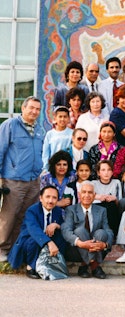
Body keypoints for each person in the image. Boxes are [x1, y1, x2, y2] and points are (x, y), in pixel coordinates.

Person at [0, 96, 44, 262]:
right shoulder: (10, 125)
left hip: (33, 180)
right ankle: (2, 248)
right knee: (9, 215)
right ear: (23, 108)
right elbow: (0, 150)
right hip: (14, 179)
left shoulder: (39, 129)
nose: (34, 111)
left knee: (24, 216)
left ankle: (14, 249)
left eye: (37, 109)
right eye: (31, 108)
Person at [7, 186, 65, 279]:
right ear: (41, 198)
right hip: (29, 241)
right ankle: (30, 267)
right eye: (47, 197)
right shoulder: (32, 210)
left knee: (61, 236)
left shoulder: (57, 211)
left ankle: (53, 264)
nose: (50, 201)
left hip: (46, 240)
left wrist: (56, 225)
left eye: (54, 198)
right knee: (34, 241)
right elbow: (33, 230)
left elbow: (64, 226)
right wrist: (49, 243)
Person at [61, 182, 114, 279]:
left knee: (101, 232)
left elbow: (108, 230)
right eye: (84, 192)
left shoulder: (101, 210)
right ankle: (94, 266)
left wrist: (105, 245)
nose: (86, 195)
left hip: (97, 243)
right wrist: (80, 243)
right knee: (80, 230)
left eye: (90, 192)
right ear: (79, 194)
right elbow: (66, 230)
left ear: (94, 196)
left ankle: (84, 265)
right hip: (77, 249)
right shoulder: (71, 210)